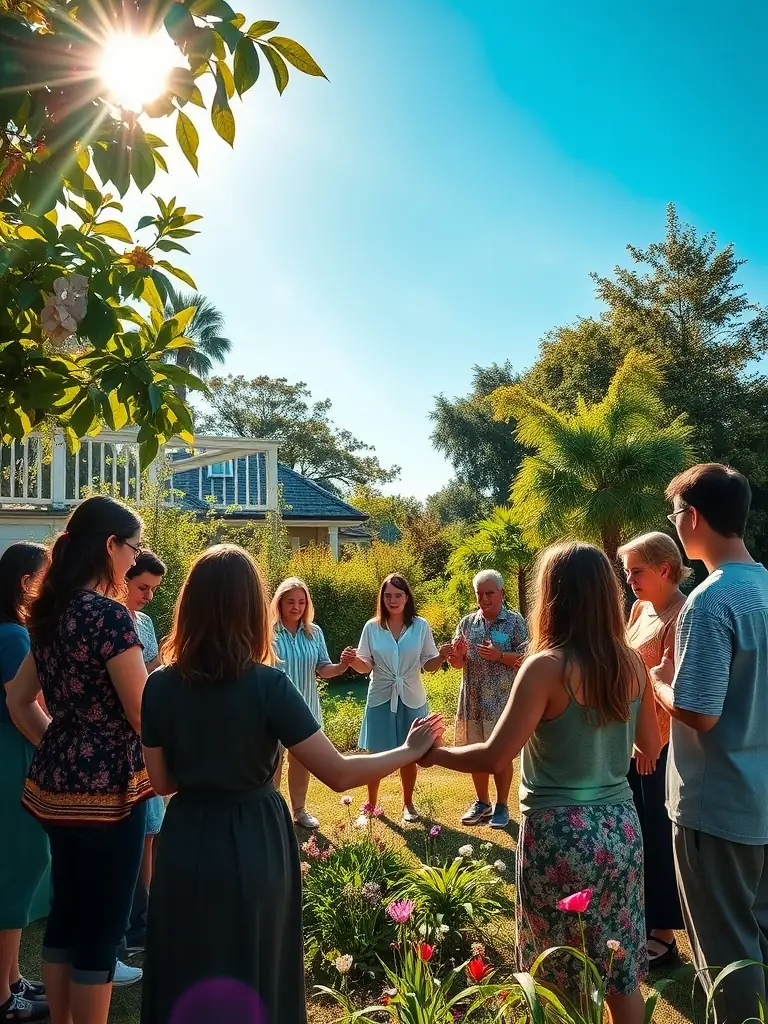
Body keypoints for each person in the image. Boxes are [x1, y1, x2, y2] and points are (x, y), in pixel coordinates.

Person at [139, 545, 443, 1024]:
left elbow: (161, 781)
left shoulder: (157, 686)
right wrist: (407, 751)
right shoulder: (269, 685)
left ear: (188, 604)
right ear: (252, 608)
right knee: (258, 962)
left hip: (187, 839)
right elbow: (338, 771)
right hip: (255, 839)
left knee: (188, 958)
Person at [420, 542, 661, 1024]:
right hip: (620, 827)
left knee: (555, 970)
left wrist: (433, 753)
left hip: (559, 834)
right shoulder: (630, 662)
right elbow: (650, 750)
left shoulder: (545, 666)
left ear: (551, 595)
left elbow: (494, 755)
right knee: (618, 971)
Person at [6, 495, 151, 1024]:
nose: (133, 561)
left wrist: (58, 744)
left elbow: (20, 701)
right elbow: (141, 714)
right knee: (103, 924)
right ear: (109, 546)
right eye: (131, 550)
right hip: (111, 790)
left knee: (67, 912)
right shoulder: (111, 618)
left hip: (56, 786)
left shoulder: (50, 614)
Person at [651, 464, 768, 1022]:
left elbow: (699, 712)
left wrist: (657, 681)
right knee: (761, 938)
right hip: (762, 799)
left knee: (727, 955)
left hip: (714, 807)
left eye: (674, 514)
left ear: (692, 517)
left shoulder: (711, 600)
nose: (675, 524)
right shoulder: (766, 587)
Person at [618, 532, 688, 968]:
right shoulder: (640, 607)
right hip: (631, 743)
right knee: (637, 835)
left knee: (657, 839)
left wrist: (651, 743)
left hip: (657, 750)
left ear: (665, 568)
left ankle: (665, 933)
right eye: (627, 572)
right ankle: (643, 920)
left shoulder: (681, 617)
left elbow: (672, 688)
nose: (630, 580)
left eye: (636, 571)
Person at [347, 573, 452, 823]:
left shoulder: (421, 626)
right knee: (376, 754)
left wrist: (443, 656)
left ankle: (408, 804)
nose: (392, 600)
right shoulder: (372, 627)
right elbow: (365, 665)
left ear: (407, 598)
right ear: (382, 599)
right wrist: (352, 661)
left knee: (411, 752)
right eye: (388, 596)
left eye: (398, 595)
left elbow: (429, 665)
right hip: (381, 696)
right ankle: (371, 804)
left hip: (412, 696)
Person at [0, 542, 50, 1022]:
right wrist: (56, 746)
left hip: (13, 753)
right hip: (15, 756)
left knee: (20, 865)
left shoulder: (12, 632)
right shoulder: (13, 637)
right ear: (25, 582)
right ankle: (2, 995)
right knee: (18, 867)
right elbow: (23, 707)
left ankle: (13, 977)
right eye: (44, 575)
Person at [271, 576, 356, 830]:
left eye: (301, 602)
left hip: (306, 708)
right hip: (273, 710)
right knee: (272, 762)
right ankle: (273, 813)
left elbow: (322, 668)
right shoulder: (267, 631)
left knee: (301, 762)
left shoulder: (314, 632)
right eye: (290, 602)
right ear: (279, 603)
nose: (296, 607)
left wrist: (342, 665)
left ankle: (299, 811)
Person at [448, 570, 528, 829]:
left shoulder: (515, 623)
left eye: (489, 593)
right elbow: (458, 664)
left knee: (501, 754)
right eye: (479, 594)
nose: (484, 599)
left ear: (502, 594)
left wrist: (500, 655)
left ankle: (502, 805)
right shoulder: (467, 623)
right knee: (476, 752)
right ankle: (483, 802)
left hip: (502, 700)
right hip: (472, 698)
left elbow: (528, 659)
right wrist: (457, 656)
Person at [120, 550, 167, 958]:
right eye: (142, 587)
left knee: (151, 828)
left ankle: (143, 914)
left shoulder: (145, 622)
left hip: (146, 731)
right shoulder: (108, 621)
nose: (149, 596)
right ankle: (133, 919)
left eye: (153, 589)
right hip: (125, 735)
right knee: (132, 832)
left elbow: (152, 666)